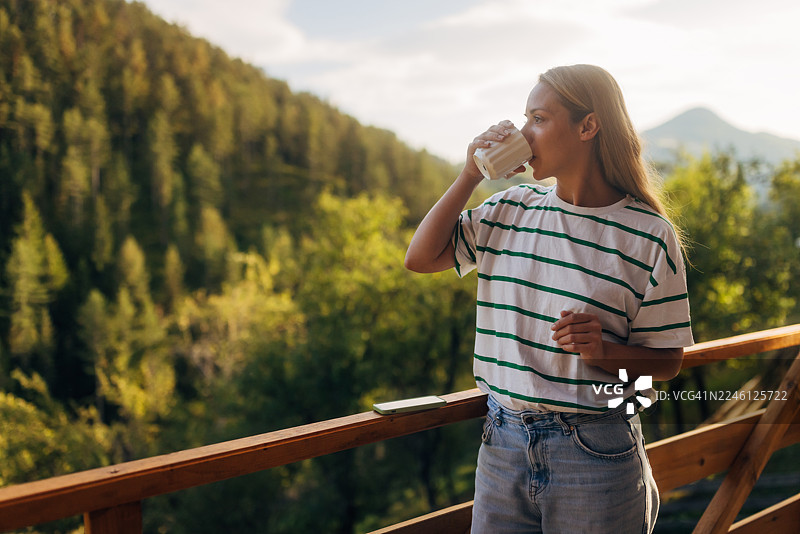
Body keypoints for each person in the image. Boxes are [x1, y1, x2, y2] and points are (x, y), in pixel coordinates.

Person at [404, 64, 694, 533]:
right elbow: (420, 258)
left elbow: (667, 362)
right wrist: (468, 175)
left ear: (588, 126)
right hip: (502, 446)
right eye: (524, 119)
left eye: (538, 118)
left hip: (596, 452)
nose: (523, 133)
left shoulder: (649, 235)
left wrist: (604, 351)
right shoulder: (509, 209)